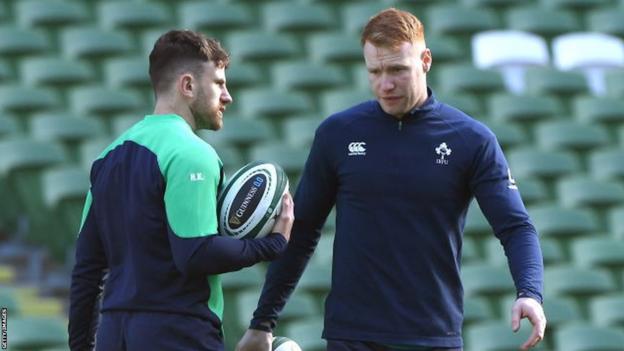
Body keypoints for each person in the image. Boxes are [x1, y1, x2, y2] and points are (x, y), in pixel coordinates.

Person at [237, 8, 546, 351]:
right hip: (351, 335)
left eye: (398, 69)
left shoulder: (471, 140)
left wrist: (529, 293)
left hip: (432, 337)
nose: (385, 84)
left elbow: (516, 227)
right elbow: (303, 230)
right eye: (375, 71)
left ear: (425, 60)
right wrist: (263, 322)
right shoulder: (337, 134)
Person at [68, 29, 294, 351]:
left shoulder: (106, 159)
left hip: (114, 335)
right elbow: (195, 254)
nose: (227, 96)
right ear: (187, 85)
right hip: (177, 333)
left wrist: (80, 347)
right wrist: (272, 245)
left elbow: (87, 271)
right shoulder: (192, 154)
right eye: (219, 83)